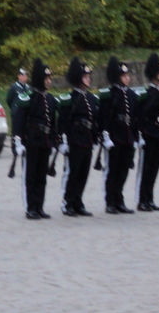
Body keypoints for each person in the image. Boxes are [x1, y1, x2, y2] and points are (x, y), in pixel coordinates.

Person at [11, 58, 59, 220]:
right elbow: (19, 120)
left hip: (44, 141)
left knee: (41, 176)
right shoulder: (28, 97)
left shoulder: (50, 99)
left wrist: (54, 140)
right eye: (46, 79)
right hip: (31, 140)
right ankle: (30, 207)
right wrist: (17, 141)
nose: (49, 81)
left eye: (49, 78)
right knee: (30, 176)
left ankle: (39, 206)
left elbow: (52, 123)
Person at [57, 57, 99, 217]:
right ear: (78, 78)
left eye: (88, 76)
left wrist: (95, 138)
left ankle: (78, 201)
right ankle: (67, 202)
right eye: (85, 76)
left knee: (83, 173)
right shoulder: (70, 99)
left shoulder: (90, 98)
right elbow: (62, 121)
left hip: (87, 139)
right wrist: (62, 140)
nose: (88, 78)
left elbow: (94, 120)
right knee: (72, 173)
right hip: (74, 139)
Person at [134, 52, 159, 213]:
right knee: (146, 169)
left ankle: (149, 198)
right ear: (155, 76)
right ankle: (142, 199)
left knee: (155, 168)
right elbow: (147, 112)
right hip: (149, 133)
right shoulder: (149, 93)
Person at [101, 56, 137, 214]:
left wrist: (136, 137)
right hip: (115, 135)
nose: (127, 78)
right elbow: (105, 117)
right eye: (124, 75)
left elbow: (135, 117)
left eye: (127, 75)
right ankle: (110, 201)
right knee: (113, 170)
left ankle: (119, 199)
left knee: (123, 170)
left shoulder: (131, 95)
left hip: (127, 135)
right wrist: (106, 136)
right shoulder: (110, 95)